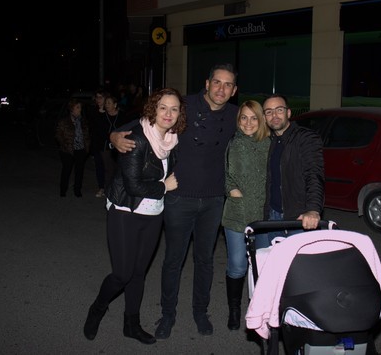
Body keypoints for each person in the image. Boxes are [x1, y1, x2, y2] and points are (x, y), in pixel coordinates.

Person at [110, 64, 239, 338]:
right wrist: (113, 136)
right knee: (173, 260)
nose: (221, 89)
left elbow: (259, 135)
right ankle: (167, 314)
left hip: (214, 199)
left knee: (205, 260)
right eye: (217, 82)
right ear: (207, 83)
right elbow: (144, 121)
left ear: (234, 90)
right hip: (178, 197)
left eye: (228, 85)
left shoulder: (235, 115)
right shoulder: (185, 105)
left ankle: (200, 312)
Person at [83, 87, 187, 344]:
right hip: (126, 210)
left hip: (154, 213)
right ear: (153, 108)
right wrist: (165, 186)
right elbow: (133, 185)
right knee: (122, 273)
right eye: (163, 107)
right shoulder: (138, 138)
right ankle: (97, 308)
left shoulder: (173, 139)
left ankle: (131, 323)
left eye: (174, 109)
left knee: (138, 272)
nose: (168, 113)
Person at [221, 100, 270, 330]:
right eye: (244, 118)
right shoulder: (233, 143)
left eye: (253, 118)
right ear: (238, 120)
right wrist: (231, 188)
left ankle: (258, 308)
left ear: (260, 121)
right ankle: (233, 310)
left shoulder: (269, 144)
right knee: (238, 266)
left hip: (262, 216)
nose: (248, 123)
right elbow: (223, 174)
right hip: (236, 213)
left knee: (261, 265)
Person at [257, 94, 325, 248]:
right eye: (269, 112)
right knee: (275, 266)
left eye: (279, 110)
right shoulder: (269, 142)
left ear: (288, 113)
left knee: (299, 268)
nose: (274, 115)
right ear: (264, 117)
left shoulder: (306, 138)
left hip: (299, 218)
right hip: (272, 217)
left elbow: (314, 174)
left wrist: (313, 209)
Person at [87, 90, 124, 197]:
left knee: (116, 169)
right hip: (101, 145)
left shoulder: (120, 114)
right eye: (97, 97)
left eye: (101, 97)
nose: (98, 100)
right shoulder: (97, 113)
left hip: (116, 147)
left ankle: (116, 190)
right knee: (104, 168)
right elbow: (95, 129)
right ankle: (104, 189)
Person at [55, 98, 90, 197]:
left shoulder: (83, 121)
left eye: (80, 107)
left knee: (79, 171)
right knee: (66, 170)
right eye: (77, 107)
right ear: (72, 109)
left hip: (80, 149)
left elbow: (87, 135)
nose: (80, 109)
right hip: (68, 150)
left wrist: (87, 146)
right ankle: (63, 190)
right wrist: (65, 145)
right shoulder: (64, 121)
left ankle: (77, 190)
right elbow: (58, 135)